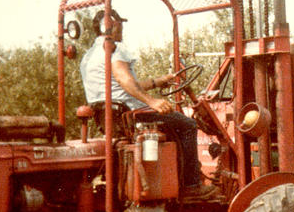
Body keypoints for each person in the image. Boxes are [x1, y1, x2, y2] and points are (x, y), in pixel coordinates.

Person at [80, 10, 214, 200]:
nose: (122, 28)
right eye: (120, 24)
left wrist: (158, 82)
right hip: (132, 113)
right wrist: (153, 101)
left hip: (113, 117)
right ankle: (191, 185)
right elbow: (124, 80)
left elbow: (123, 85)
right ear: (110, 26)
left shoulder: (90, 55)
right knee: (188, 125)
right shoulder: (115, 49)